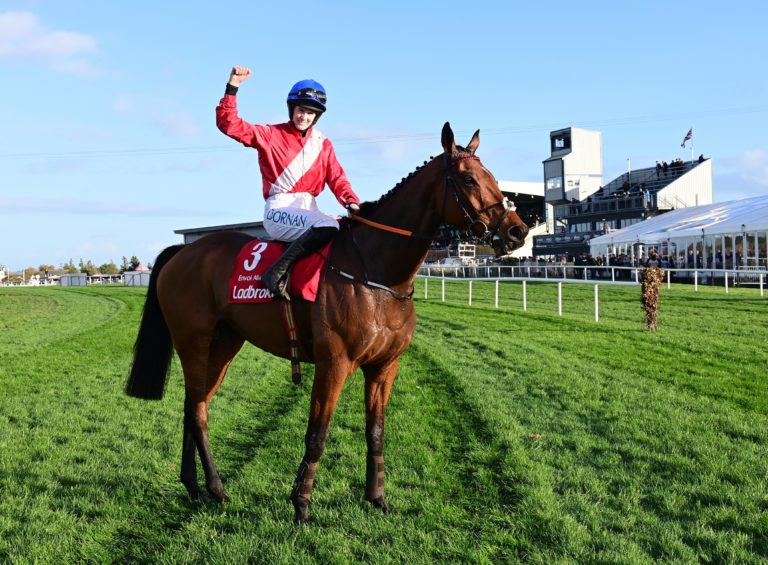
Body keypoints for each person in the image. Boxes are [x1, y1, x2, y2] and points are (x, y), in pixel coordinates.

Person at [216, 66, 361, 300]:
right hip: (279, 210)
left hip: (309, 210)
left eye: (310, 113)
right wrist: (232, 87)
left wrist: (352, 202)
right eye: (301, 110)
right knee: (328, 227)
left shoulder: (323, 144)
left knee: (345, 229)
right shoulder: (270, 135)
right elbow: (229, 124)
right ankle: (275, 273)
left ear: (317, 116)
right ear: (292, 108)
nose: (304, 116)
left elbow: (337, 178)